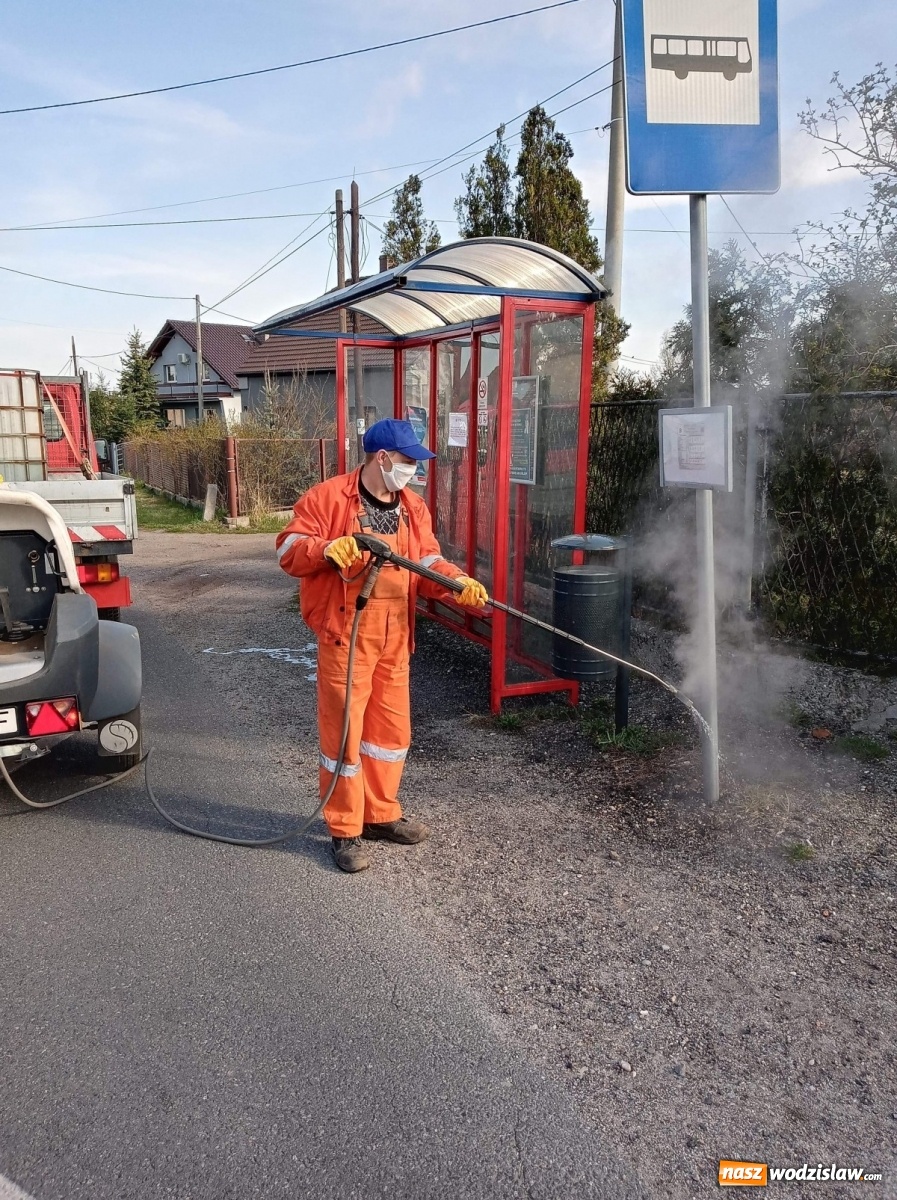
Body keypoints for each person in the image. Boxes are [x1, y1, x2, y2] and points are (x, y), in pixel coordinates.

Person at [276, 418, 488, 873]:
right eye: (409, 460)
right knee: (345, 736)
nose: (415, 469)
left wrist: (457, 583)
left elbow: (427, 561)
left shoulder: (413, 507)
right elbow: (287, 550)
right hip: (346, 633)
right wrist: (326, 549)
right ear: (383, 458)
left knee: (389, 735)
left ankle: (380, 814)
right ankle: (345, 829)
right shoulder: (327, 498)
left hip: (396, 635)